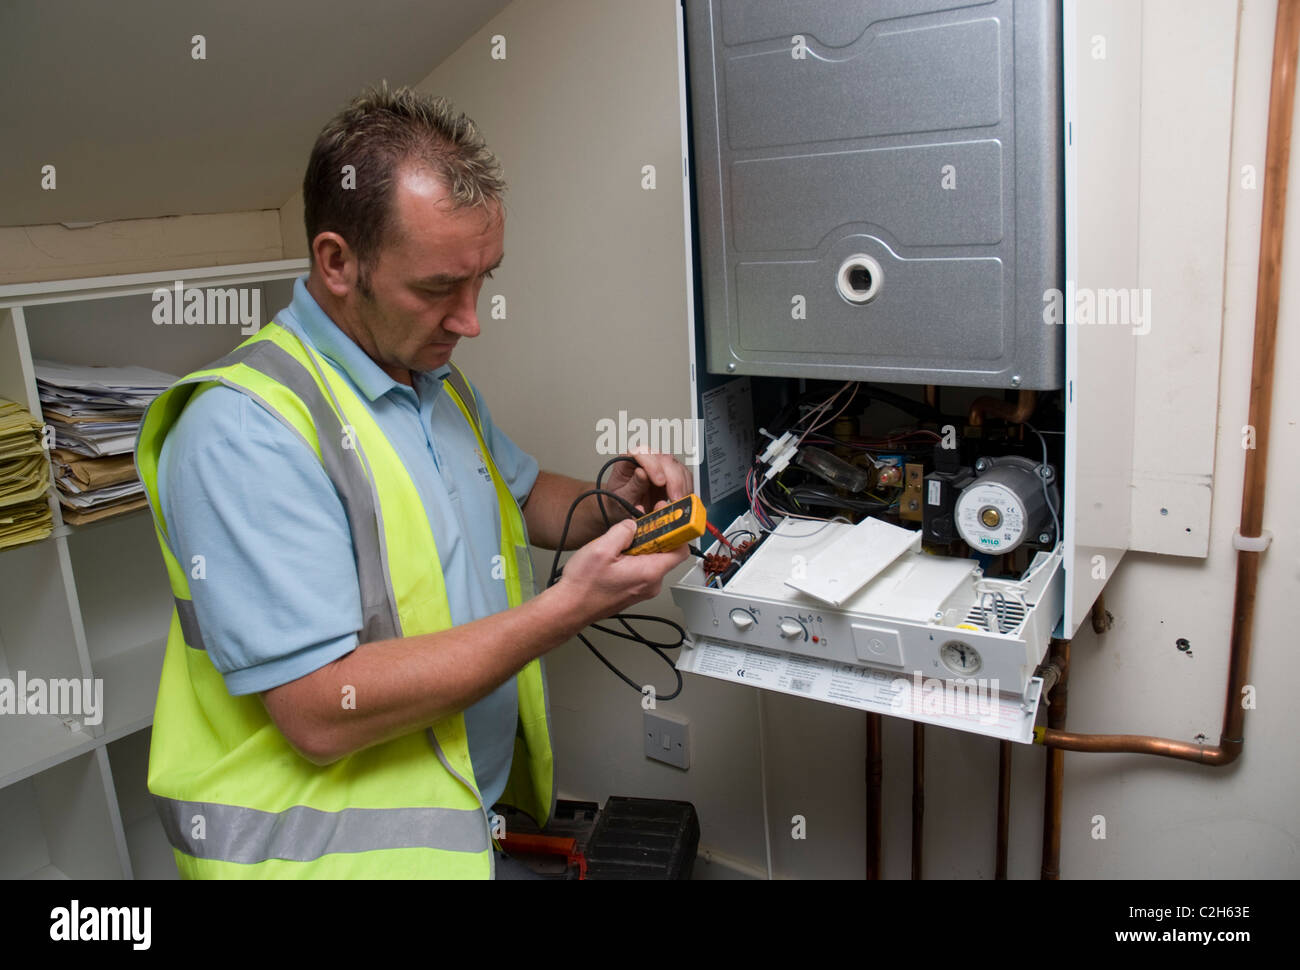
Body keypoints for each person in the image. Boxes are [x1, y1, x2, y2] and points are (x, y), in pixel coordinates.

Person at [135, 84, 690, 879]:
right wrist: (566, 609)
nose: (470, 320)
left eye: (483, 280)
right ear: (337, 262)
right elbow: (321, 712)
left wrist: (621, 503)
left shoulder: (433, 378)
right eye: (437, 288)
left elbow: (521, 496)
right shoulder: (244, 431)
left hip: (464, 826)